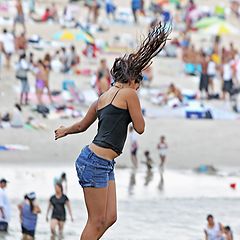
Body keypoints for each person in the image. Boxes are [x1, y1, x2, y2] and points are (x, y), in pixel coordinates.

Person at [54, 22, 170, 239]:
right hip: (95, 161)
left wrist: (65, 130)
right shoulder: (130, 95)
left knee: (110, 217)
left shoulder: (103, 97)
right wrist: (135, 102)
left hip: (101, 161)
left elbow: (81, 126)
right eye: (138, 85)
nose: (138, 88)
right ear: (133, 81)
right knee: (96, 220)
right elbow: (141, 128)